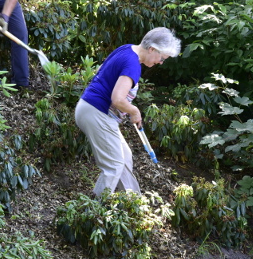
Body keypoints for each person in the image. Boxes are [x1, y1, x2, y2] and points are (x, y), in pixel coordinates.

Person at [75, 27, 181, 197]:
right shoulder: (133, 64)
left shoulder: (126, 49)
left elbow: (102, 72)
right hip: (97, 112)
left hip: (90, 109)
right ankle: (94, 212)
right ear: (152, 49)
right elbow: (117, 99)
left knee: (124, 157)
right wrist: (134, 111)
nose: (160, 62)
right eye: (161, 58)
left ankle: (132, 201)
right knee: (114, 165)